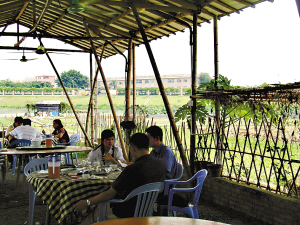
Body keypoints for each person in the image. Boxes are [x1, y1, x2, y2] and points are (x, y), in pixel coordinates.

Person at [74, 133, 167, 222]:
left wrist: (87, 202)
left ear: (133, 148)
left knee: (93, 210)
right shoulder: (161, 164)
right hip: (148, 211)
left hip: (125, 213)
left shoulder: (132, 169)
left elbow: (109, 194)